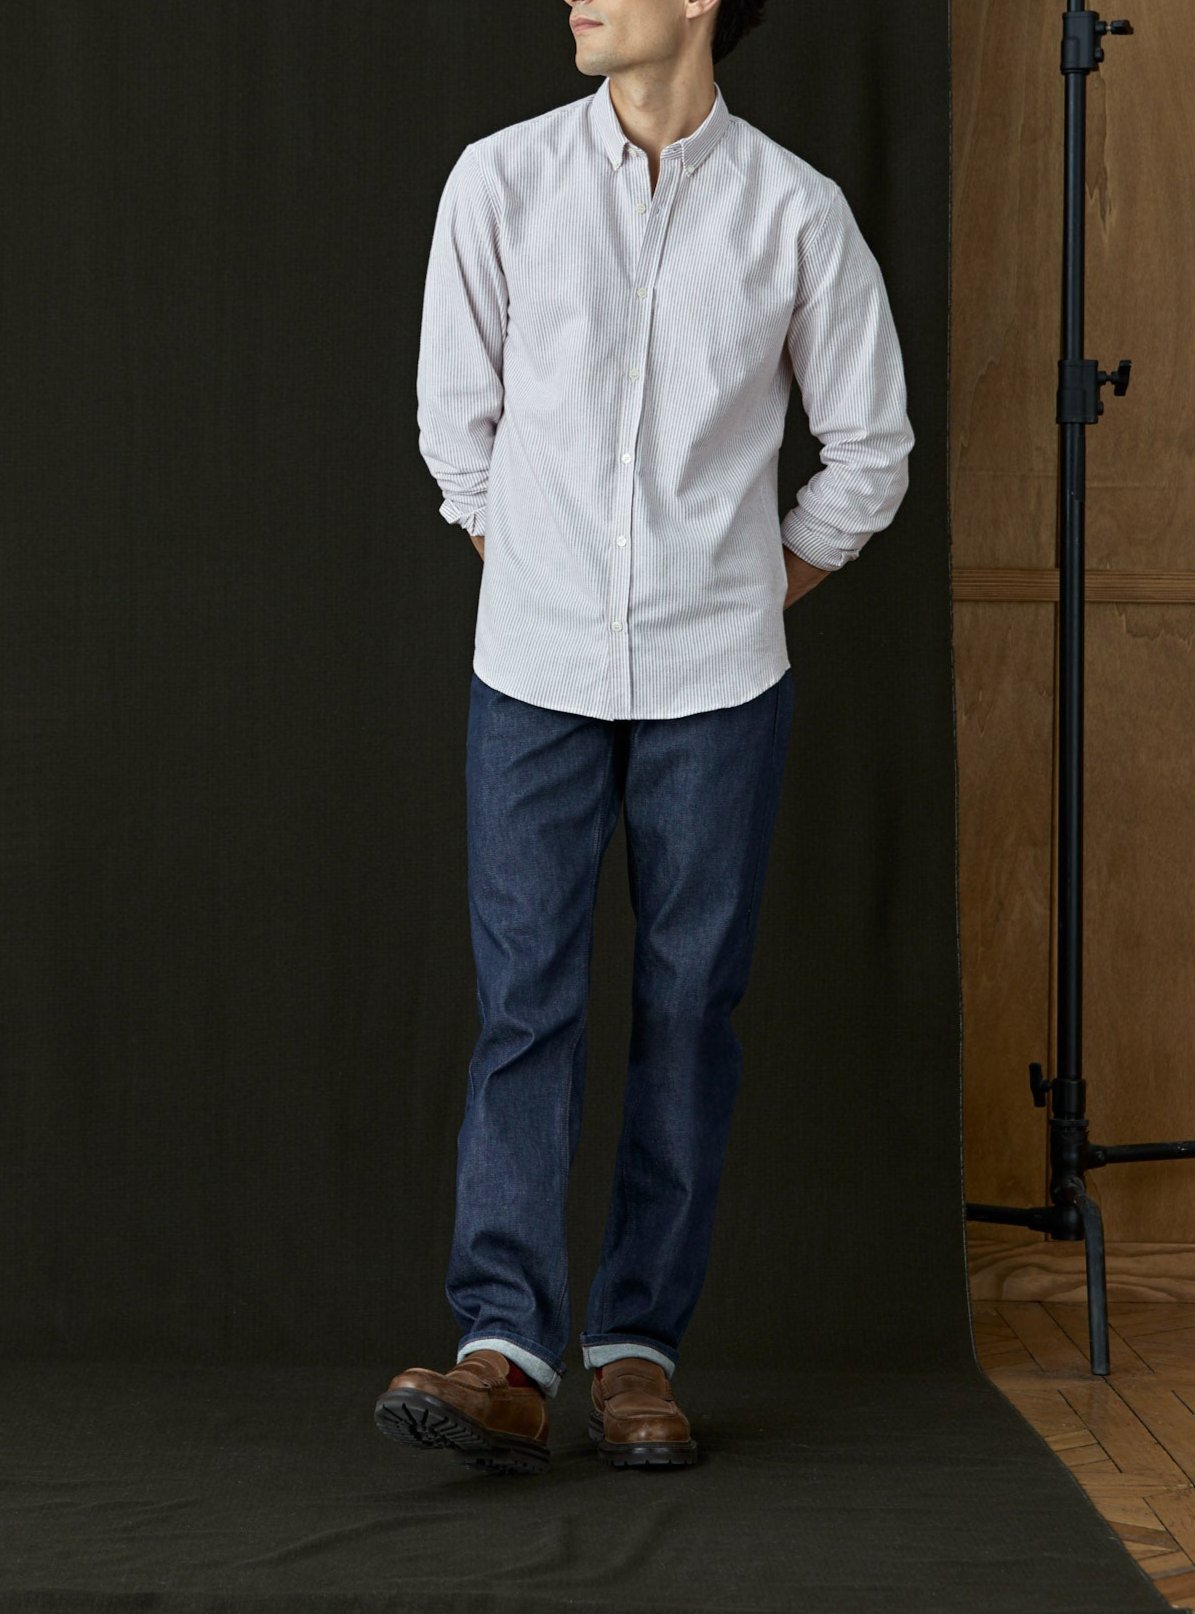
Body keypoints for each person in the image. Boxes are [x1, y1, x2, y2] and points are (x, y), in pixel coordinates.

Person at [374, 0, 914, 1475]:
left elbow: (870, 445)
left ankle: (638, 1354)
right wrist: (529, 562)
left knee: (690, 1011)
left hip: (719, 681)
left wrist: (752, 582)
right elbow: (454, 419)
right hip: (532, 669)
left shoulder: (796, 212)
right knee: (525, 1003)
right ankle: (504, 1351)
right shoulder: (501, 181)